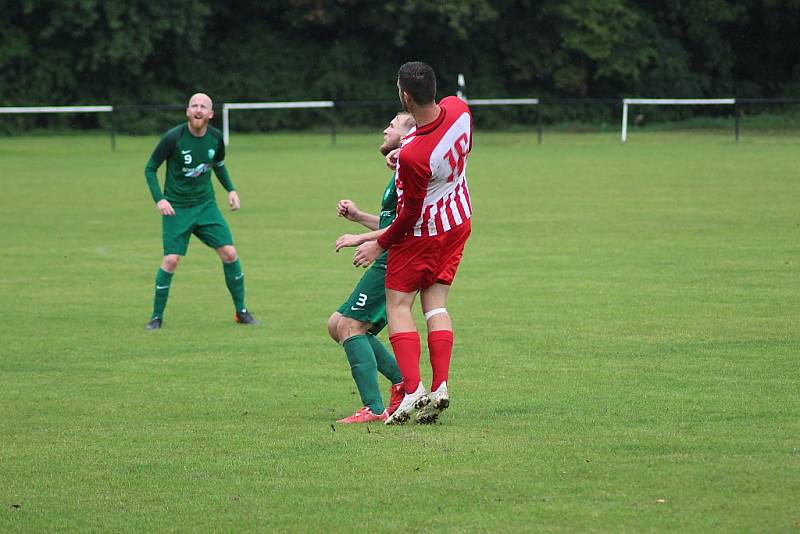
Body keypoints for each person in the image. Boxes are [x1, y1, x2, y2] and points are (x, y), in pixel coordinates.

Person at [353, 62, 473, 425]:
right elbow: (442, 153)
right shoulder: (459, 109)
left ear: (405, 95)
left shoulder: (414, 154)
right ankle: (440, 387)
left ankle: (414, 390)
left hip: (423, 233)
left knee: (398, 306)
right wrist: (403, 155)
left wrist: (379, 244)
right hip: (458, 223)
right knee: (436, 305)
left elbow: (408, 215)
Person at [143, 93, 260, 330]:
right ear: (187, 111)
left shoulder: (216, 138)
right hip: (177, 209)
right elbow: (150, 168)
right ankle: (156, 317)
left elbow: (218, 165)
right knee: (171, 260)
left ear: (210, 114)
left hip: (206, 206)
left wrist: (231, 190)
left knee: (229, 253)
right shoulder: (173, 138)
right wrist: (160, 199)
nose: (198, 109)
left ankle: (241, 312)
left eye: (203, 106)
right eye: (194, 105)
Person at [328, 112, 416, 423]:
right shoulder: (400, 167)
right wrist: (359, 216)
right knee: (336, 324)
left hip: (396, 258)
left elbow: (404, 228)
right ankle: (403, 384)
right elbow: (391, 223)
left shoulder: (408, 169)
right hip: (391, 254)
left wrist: (361, 237)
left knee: (350, 326)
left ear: (408, 134)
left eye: (392, 125)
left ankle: (374, 409)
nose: (384, 128)